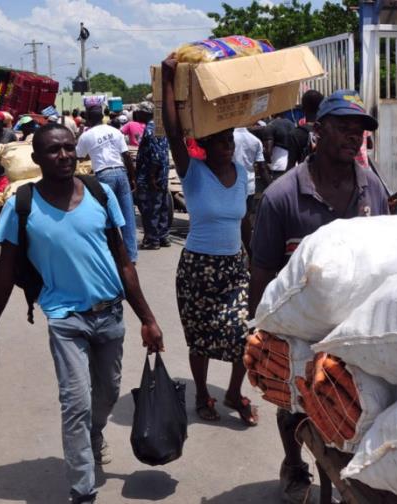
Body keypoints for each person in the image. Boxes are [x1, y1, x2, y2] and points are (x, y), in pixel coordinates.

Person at [0, 122, 163, 504]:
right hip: (65, 319)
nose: (63, 156)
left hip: (110, 313)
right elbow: (5, 272)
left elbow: (124, 262)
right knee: (75, 402)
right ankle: (82, 489)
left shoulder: (100, 192)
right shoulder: (22, 205)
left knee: (107, 394)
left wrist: (147, 317)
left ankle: (95, 434)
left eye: (68, 148)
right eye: (53, 150)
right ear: (36, 158)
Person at [249, 90, 388, 504]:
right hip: (302, 322)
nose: (354, 137)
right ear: (316, 130)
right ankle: (294, 462)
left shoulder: (372, 190)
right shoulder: (284, 196)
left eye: (360, 130)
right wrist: (262, 331)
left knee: (360, 405)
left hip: (359, 319)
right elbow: (261, 270)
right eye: (344, 127)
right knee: (294, 398)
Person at [162, 57, 258, 427]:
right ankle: (202, 393)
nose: (228, 146)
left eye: (230, 140)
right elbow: (173, 133)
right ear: (204, 145)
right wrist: (170, 80)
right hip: (199, 268)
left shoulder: (242, 172)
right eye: (219, 141)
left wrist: (254, 258)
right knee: (200, 338)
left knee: (244, 335)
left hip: (235, 267)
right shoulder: (193, 173)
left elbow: (245, 217)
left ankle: (234, 391)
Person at [76, 107, 139, 263]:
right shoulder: (115, 131)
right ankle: (131, 256)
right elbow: (126, 155)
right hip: (121, 173)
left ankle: (111, 253)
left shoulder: (86, 136)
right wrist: (133, 177)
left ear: (88, 119)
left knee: (106, 216)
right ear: (103, 117)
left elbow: (79, 156)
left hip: (104, 175)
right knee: (127, 215)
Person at [135, 103, 172, 250]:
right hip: (162, 175)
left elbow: (155, 156)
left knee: (150, 208)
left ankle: (152, 239)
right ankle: (163, 236)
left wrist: (151, 177)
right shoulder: (159, 127)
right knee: (161, 205)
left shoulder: (150, 131)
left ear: (145, 113)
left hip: (150, 176)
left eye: (139, 112)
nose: (137, 114)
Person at [234, 126, 267, 224]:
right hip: (249, 185)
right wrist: (271, 186)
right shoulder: (255, 140)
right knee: (246, 217)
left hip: (231, 185)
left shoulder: (230, 138)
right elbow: (262, 167)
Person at [293, 90, 323, 165]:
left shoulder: (296, 134)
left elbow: (290, 167)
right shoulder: (329, 131)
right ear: (321, 107)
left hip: (304, 175)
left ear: (303, 109)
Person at [266, 113, 296, 179]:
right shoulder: (292, 124)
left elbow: (268, 151)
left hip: (277, 166)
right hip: (292, 166)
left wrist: (267, 163)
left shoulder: (271, 125)